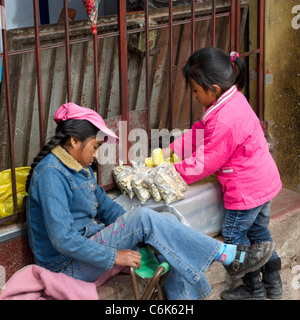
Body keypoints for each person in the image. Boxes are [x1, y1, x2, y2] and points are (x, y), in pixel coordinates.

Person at [25, 102, 274, 300]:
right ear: (74, 141)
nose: (97, 154)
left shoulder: (79, 166)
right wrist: (115, 256)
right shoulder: (50, 175)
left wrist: (143, 233)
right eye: (95, 146)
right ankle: (228, 256)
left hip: (88, 250)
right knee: (145, 220)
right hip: (66, 266)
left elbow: (107, 206)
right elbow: (63, 240)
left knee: (167, 235)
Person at [162, 47, 282, 300]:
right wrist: (171, 151)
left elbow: (207, 162)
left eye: (195, 90)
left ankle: (253, 289)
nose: (194, 96)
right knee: (259, 234)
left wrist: (173, 172)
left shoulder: (224, 118)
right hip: (264, 183)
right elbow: (200, 133)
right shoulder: (232, 101)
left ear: (213, 89)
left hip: (246, 190)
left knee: (234, 235)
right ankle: (274, 284)